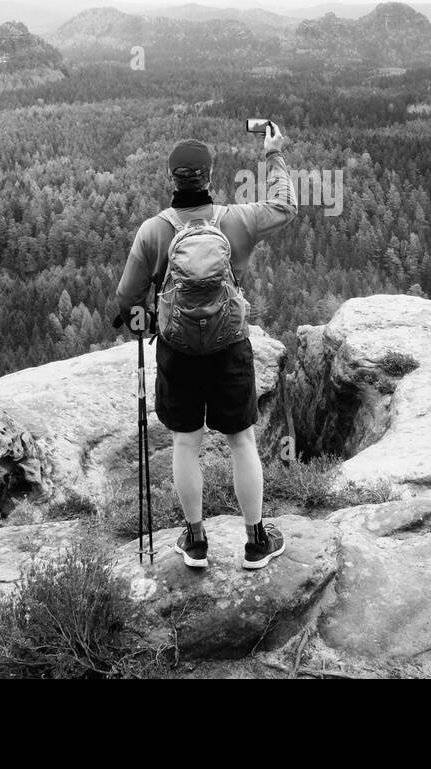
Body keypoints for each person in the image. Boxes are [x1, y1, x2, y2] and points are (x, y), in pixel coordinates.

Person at [114, 122, 298, 570]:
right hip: (229, 346)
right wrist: (273, 154)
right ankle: (256, 541)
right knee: (241, 440)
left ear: (172, 179)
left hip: (178, 350)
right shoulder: (235, 220)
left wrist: (142, 318)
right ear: (210, 177)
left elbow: (127, 297)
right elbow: (285, 206)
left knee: (185, 443)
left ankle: (196, 542)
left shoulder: (154, 231)